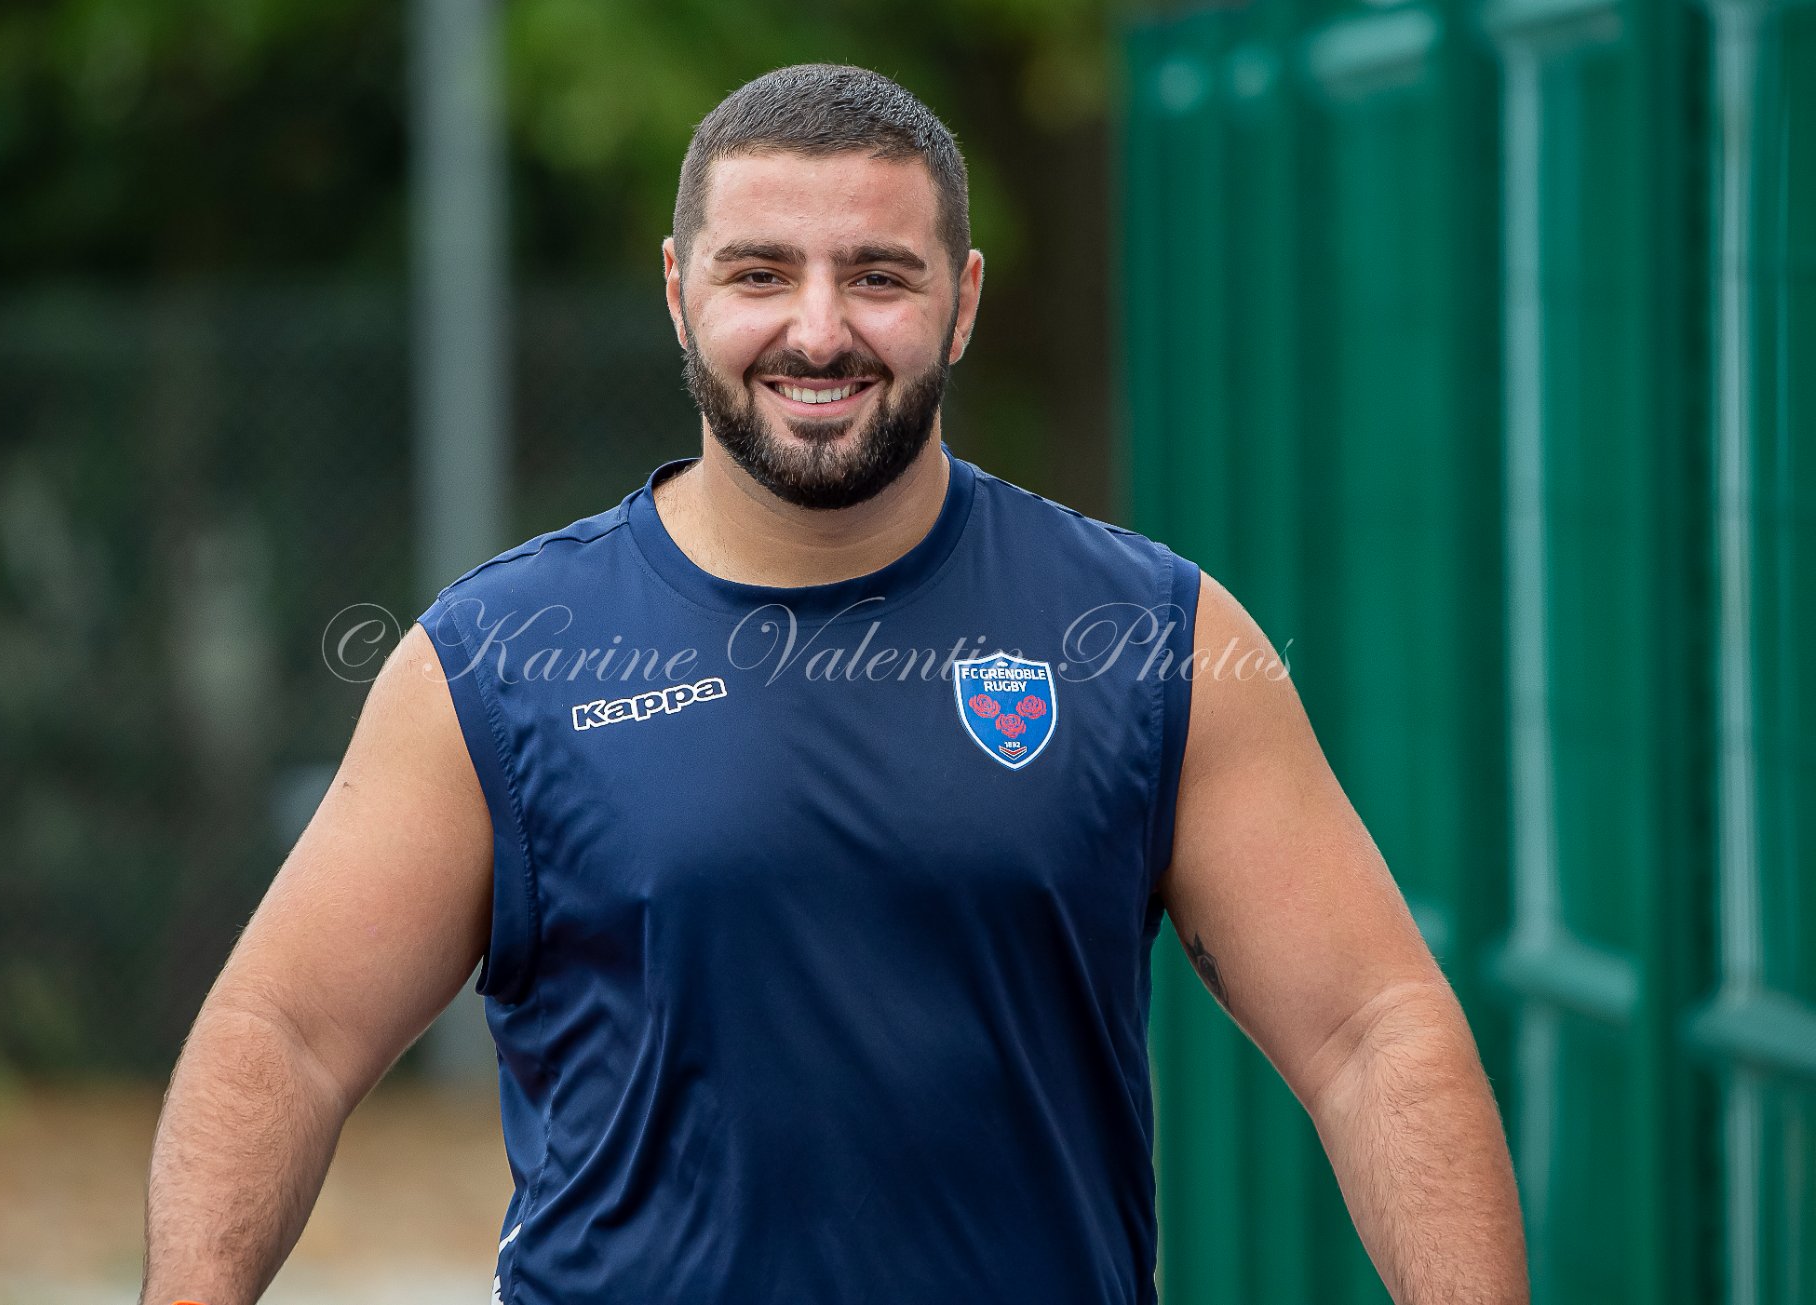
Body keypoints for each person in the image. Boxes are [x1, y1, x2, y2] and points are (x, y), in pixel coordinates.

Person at [139, 63, 1527, 1305]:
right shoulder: (498, 659)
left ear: (962, 298)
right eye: (759, 275)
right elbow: (286, 1031)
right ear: (678, 287)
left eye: (878, 275)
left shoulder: (1150, 636)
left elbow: (1371, 1029)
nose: (818, 331)